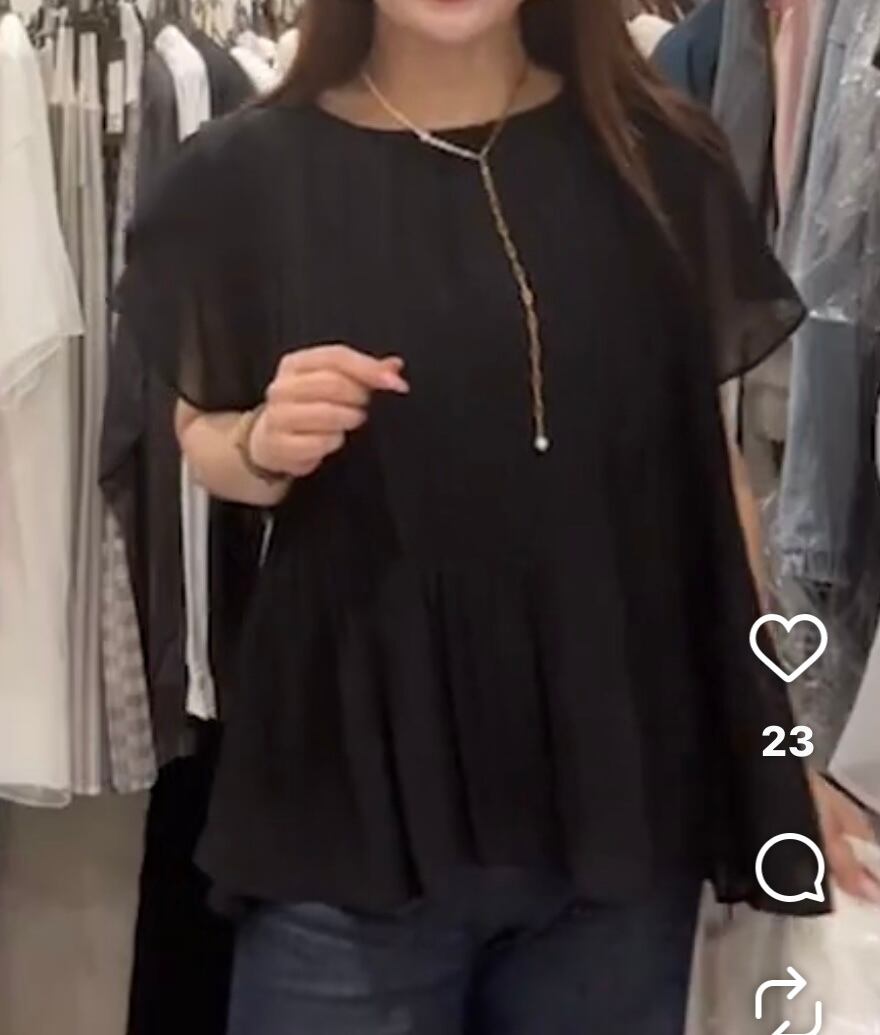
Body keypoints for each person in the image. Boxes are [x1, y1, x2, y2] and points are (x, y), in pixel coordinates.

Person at [118, 1, 876, 1032]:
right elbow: (200, 435)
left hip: (614, 808)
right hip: (354, 809)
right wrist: (262, 439)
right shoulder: (241, 177)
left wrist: (776, 747)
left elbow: (704, 481)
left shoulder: (657, 159)